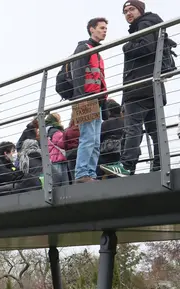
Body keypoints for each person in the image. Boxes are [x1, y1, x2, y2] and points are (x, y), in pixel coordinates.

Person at [102, 2, 174, 177]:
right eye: (125, 11)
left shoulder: (144, 24)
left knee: (132, 128)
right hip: (152, 88)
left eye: (131, 9)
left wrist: (126, 46)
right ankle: (160, 164)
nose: (128, 13)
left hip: (138, 88)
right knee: (155, 130)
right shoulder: (151, 24)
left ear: (140, 10)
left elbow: (146, 47)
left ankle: (127, 166)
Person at [71, 17, 108, 183]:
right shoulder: (83, 48)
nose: (104, 31)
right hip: (86, 99)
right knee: (88, 138)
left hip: (95, 100)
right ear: (92, 29)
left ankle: (90, 173)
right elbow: (77, 73)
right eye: (101, 28)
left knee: (95, 141)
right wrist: (80, 98)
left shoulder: (96, 52)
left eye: (105, 28)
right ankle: (81, 174)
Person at [98, 99, 124, 174]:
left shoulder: (105, 124)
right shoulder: (125, 122)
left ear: (109, 112)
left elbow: (99, 140)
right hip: (122, 153)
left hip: (108, 154)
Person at [45, 113, 69, 186]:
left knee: (56, 183)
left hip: (52, 160)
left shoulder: (45, 132)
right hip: (59, 160)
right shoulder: (55, 131)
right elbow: (62, 143)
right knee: (64, 184)